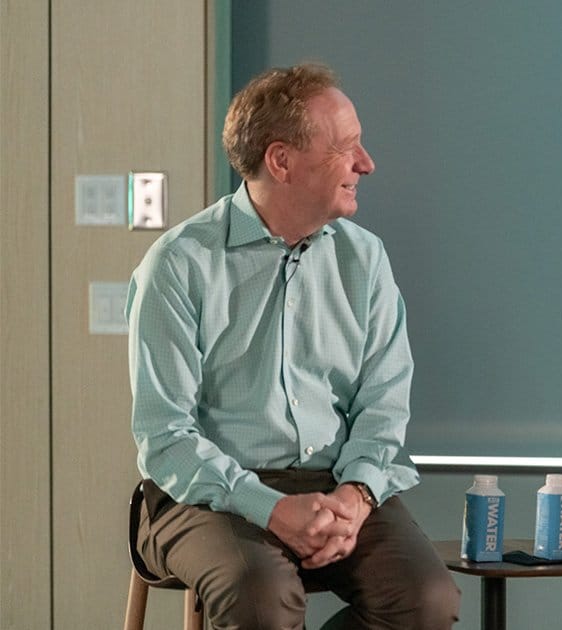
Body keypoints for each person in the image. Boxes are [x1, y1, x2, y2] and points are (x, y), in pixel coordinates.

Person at [126, 63, 460, 629]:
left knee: (427, 598)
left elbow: (383, 401)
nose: (366, 164)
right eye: (346, 148)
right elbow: (166, 437)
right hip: (208, 495)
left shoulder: (365, 259)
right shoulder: (179, 265)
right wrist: (271, 508)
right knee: (261, 595)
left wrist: (357, 496)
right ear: (280, 161)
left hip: (336, 485)